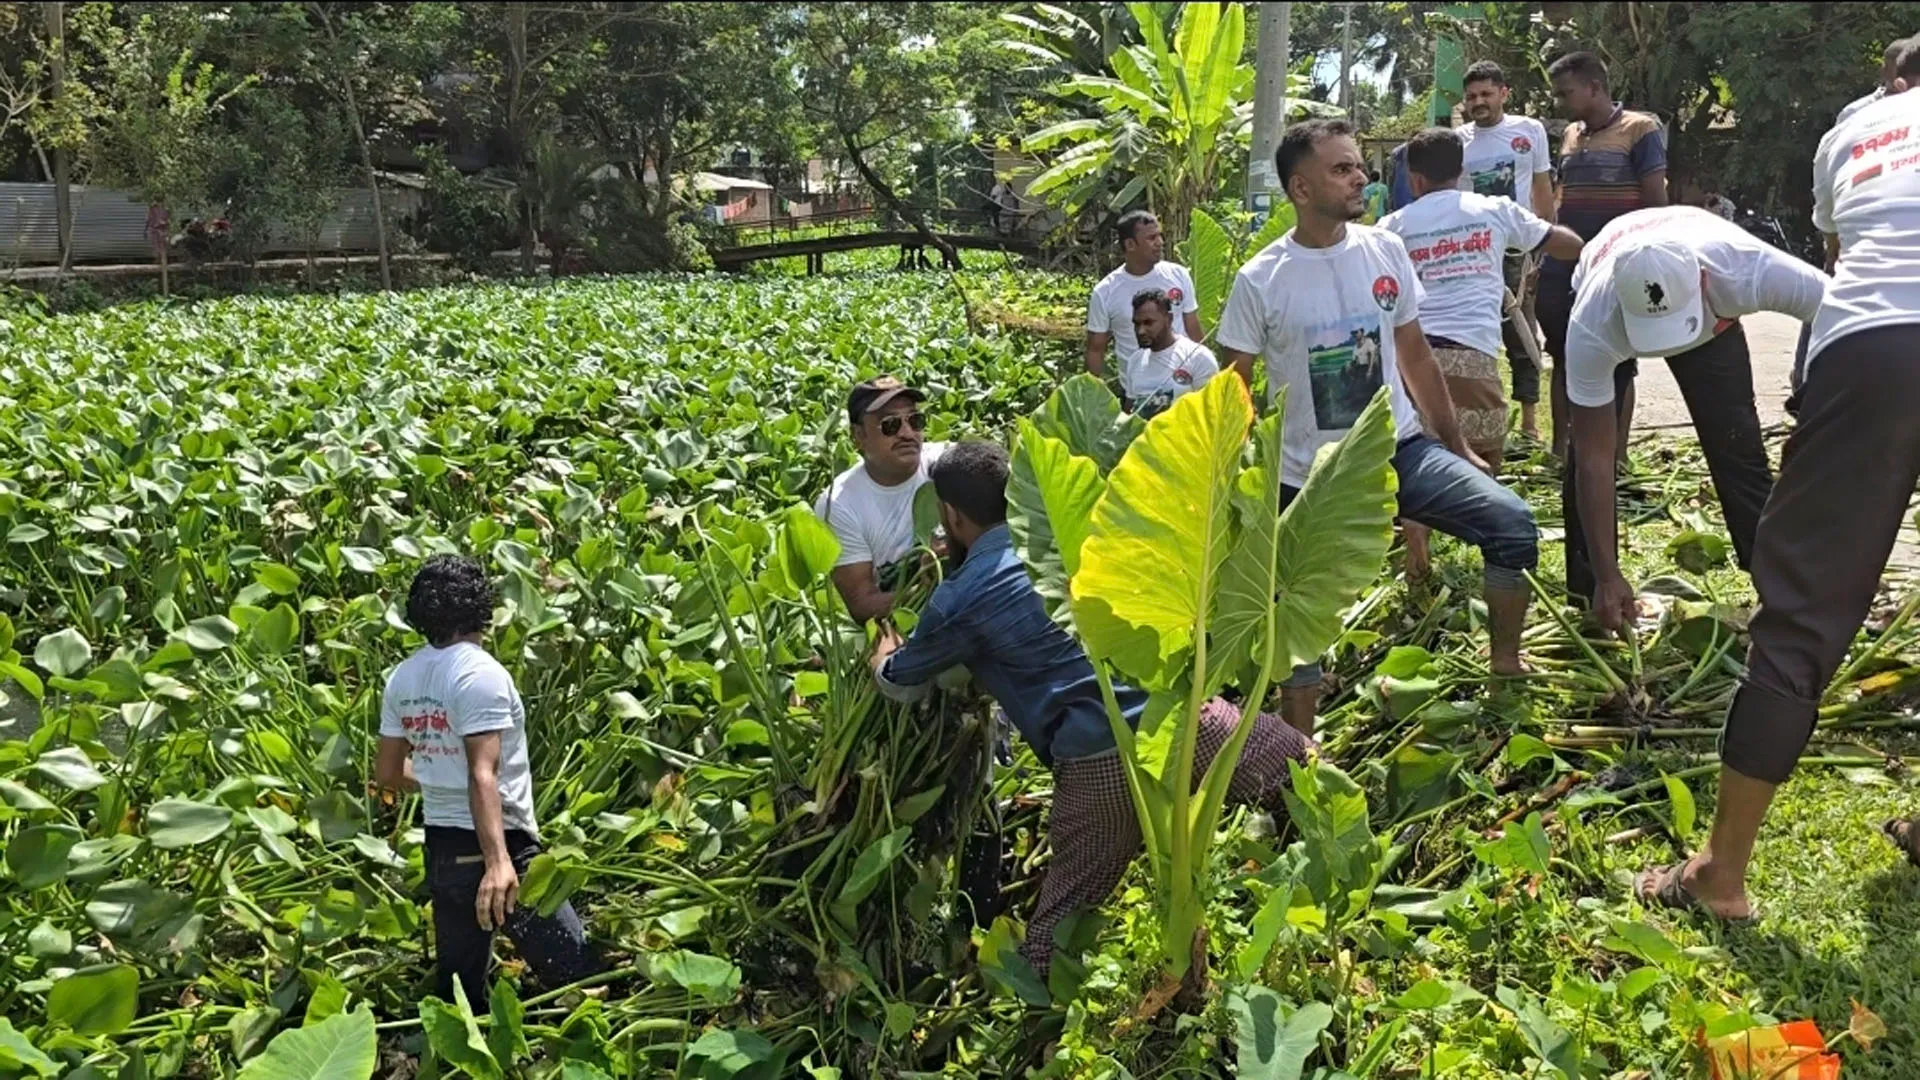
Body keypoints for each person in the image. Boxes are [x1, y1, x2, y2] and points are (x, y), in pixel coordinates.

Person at [1631, 41, 1920, 921]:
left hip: (1876, 346)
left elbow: (1840, 244)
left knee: (1800, 615)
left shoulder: (1861, 125)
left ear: (1893, 82)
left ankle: (1720, 875)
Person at [867, 441, 1313, 971]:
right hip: (1183, 718)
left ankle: (1038, 1026)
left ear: (950, 515)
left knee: (1051, 947)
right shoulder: (1075, 540)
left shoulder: (959, 597)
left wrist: (882, 654)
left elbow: (901, 684)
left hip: (1098, 767)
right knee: (1307, 771)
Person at [1217, 118, 1542, 737]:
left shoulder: (1384, 250)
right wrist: (1232, 480)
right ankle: (1300, 749)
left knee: (1512, 524)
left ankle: (1506, 663)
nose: (1361, 176)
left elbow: (1415, 356)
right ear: (1301, 189)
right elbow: (1233, 389)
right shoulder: (1261, 278)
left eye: (1358, 164)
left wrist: (1456, 446)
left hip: (1401, 450)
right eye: (1342, 169)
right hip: (1303, 479)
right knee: (1294, 610)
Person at [1563, 205, 1828, 618]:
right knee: (1582, 458)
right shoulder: (1592, 324)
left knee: (1737, 446)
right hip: (1614, 280)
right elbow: (1596, 462)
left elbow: (1845, 315)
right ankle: (1594, 591)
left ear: (1703, 280)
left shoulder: (1746, 270)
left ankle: (1779, 586)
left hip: (1711, 323)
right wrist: (1607, 572)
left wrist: (1818, 402)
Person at [375, 555, 600, 1008]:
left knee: (461, 999)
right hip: (503, 847)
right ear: (482, 609)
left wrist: (438, 777)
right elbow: (483, 775)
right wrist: (499, 864)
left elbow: (386, 774)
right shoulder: (481, 676)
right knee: (580, 979)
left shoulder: (403, 678)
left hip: (444, 851)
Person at [1381, 127, 1583, 465]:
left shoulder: (1390, 227)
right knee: (1483, 463)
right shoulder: (1495, 210)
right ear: (1461, 173)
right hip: (1473, 358)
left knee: (1417, 467)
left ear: (1414, 180)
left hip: (1409, 361)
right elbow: (1565, 244)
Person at [1538, 51, 1669, 461]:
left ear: (1594, 87)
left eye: (1566, 93)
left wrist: (1650, 260)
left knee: (1619, 359)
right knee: (1562, 353)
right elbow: (1562, 199)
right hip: (1568, 263)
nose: (1560, 102)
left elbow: (1655, 203)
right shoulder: (1571, 134)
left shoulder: (1640, 129)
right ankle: (1562, 450)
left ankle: (1616, 455)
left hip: (1616, 265)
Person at [1458, 60, 1559, 442]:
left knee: (1521, 330)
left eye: (1486, 94)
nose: (1479, 102)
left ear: (1504, 93)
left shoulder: (1528, 131)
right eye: (1471, 97)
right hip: (1474, 251)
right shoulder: (1459, 142)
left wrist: (1543, 244)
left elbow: (1541, 189)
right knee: (1477, 330)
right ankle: (1478, 418)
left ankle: (1530, 422)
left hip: (1518, 249)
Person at [814, 377, 947, 623]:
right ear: (858, 436)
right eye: (890, 424)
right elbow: (862, 603)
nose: (907, 433)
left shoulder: (948, 463)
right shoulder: (840, 503)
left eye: (915, 420)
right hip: (903, 624)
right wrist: (928, 586)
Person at [1085, 211, 1204, 382]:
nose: (1160, 243)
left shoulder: (1179, 275)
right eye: (1151, 238)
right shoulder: (1105, 292)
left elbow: (1192, 327)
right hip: (1137, 394)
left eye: (1160, 236)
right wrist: (1090, 393)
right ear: (1130, 244)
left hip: (1183, 388)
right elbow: (1095, 349)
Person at [1124, 288, 1220, 419]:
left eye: (1148, 323)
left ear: (1169, 319)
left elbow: (1212, 413)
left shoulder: (1198, 357)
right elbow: (1129, 413)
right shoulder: (1134, 361)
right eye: (1137, 324)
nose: (1141, 331)